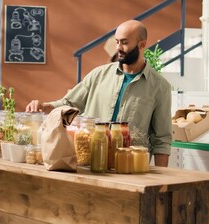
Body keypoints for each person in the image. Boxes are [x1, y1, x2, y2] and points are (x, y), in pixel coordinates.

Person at [26, 20, 172, 167]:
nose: (118, 48)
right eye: (117, 42)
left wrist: (162, 182)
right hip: (90, 163)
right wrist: (44, 106)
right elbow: (68, 104)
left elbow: (161, 140)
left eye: (124, 42)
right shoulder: (98, 75)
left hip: (129, 167)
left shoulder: (160, 87)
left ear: (142, 45)